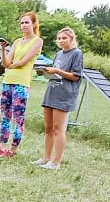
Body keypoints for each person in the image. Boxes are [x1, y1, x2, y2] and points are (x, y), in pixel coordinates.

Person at [31, 27, 84, 170]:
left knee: (58, 129)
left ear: (71, 39)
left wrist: (57, 71)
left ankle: (56, 162)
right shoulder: (58, 54)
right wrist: (44, 72)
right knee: (48, 128)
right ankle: (46, 158)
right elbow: (55, 73)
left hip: (64, 95)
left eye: (64, 38)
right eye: (59, 38)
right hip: (51, 92)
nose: (60, 41)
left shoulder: (77, 54)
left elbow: (76, 76)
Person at [0, 12, 43, 157]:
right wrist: (3, 49)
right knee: (5, 115)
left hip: (21, 83)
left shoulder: (37, 41)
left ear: (34, 24)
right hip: (7, 81)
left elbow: (23, 62)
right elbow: (5, 63)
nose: (24, 25)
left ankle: (13, 148)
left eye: (27, 22)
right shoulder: (17, 42)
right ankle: (2, 145)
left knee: (18, 117)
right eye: (22, 23)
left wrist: (11, 65)